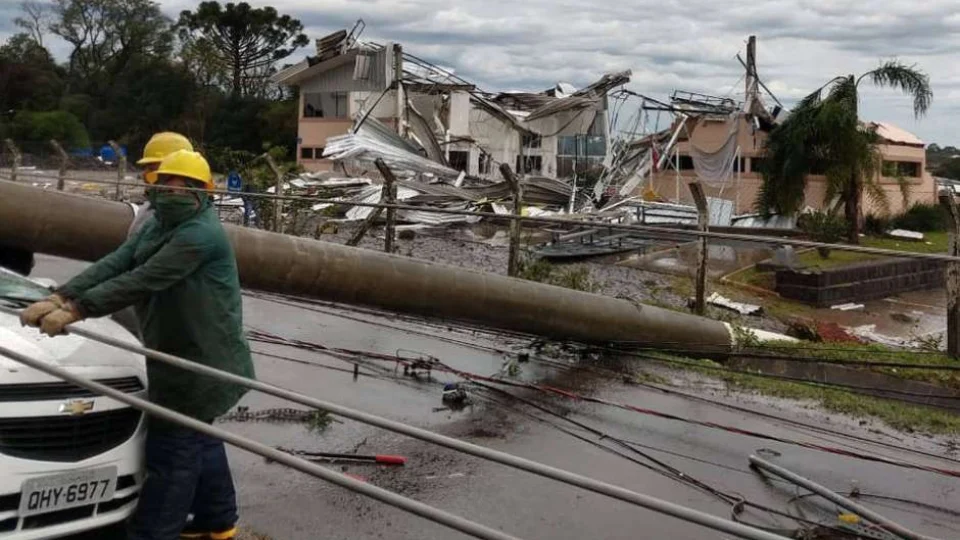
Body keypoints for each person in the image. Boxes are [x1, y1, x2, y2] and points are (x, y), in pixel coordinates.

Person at [20, 150, 254, 540]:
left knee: (173, 454)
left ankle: (154, 533)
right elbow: (120, 261)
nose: (167, 191)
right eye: (162, 183)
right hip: (176, 351)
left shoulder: (200, 234)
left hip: (202, 360)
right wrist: (63, 294)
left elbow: (145, 277)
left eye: (177, 186)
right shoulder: (158, 223)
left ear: (200, 192)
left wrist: (79, 309)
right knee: (199, 440)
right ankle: (217, 522)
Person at [129, 132, 195, 238]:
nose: (144, 176)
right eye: (146, 168)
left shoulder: (188, 224)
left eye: (152, 170)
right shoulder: (150, 209)